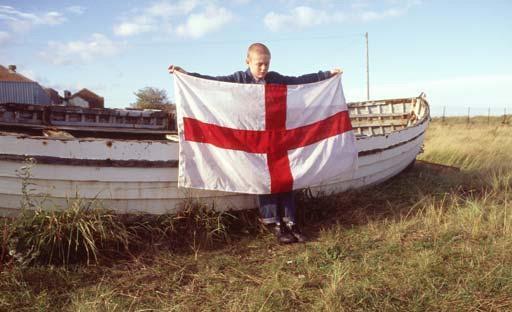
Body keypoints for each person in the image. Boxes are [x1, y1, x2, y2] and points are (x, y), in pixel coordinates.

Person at [169, 43, 341, 244]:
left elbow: (300, 82)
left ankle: (291, 221)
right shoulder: (237, 80)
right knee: (263, 179)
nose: (263, 69)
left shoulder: (275, 78)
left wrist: (326, 74)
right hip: (251, 142)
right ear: (247, 61)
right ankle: (274, 223)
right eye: (259, 64)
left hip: (277, 139)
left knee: (284, 179)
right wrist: (187, 75)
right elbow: (212, 83)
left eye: (267, 64)